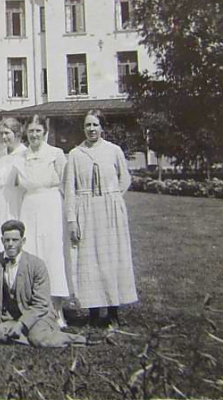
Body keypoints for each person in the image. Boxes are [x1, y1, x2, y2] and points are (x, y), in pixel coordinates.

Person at [0, 220, 89, 347]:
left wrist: (21, 324)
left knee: (38, 338)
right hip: (9, 319)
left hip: (39, 316)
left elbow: (41, 304)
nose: (11, 244)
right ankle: (37, 335)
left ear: (23, 241)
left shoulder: (36, 265)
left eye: (15, 240)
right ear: (2, 241)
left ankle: (76, 339)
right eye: (7, 240)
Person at [64, 110, 136, 329]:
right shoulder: (76, 154)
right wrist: (72, 220)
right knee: (89, 260)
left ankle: (113, 311)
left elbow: (125, 178)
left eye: (95, 125)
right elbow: (69, 189)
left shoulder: (113, 151)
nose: (91, 129)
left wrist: (113, 197)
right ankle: (94, 312)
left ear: (102, 127)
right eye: (87, 125)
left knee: (111, 258)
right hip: (86, 210)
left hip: (110, 210)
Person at [16, 114, 69, 326]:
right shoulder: (21, 156)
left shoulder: (55, 154)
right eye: (31, 131)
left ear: (45, 132)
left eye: (38, 131)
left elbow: (65, 184)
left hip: (51, 206)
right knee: (32, 253)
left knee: (52, 254)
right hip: (29, 206)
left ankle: (57, 310)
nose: (34, 135)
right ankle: (35, 309)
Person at [0, 117, 27, 225]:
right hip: (0, 203)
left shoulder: (25, 155)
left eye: (7, 133)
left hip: (17, 204)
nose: (4, 137)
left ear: (17, 134)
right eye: (1, 133)